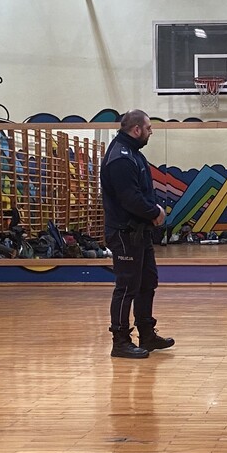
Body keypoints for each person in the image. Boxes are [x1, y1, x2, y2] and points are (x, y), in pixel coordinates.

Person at [100, 109, 173, 359]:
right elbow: (129, 198)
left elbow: (141, 192)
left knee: (147, 282)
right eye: (149, 128)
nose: (151, 132)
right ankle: (120, 341)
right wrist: (154, 212)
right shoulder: (120, 158)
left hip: (140, 232)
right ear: (137, 129)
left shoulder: (134, 154)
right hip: (124, 233)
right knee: (127, 286)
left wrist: (153, 211)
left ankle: (147, 334)